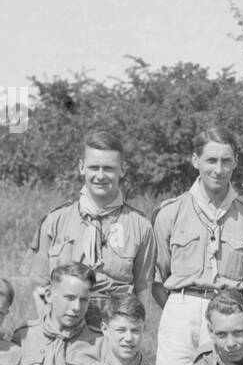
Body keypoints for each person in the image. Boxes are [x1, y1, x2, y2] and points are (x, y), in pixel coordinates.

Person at [151, 127, 243, 365]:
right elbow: (158, 278)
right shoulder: (170, 212)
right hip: (181, 309)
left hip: (227, 315)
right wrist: (183, 306)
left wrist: (230, 314)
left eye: (226, 161)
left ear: (235, 162)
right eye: (211, 160)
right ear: (196, 160)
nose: (219, 169)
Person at [25, 130, 156, 329]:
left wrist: (134, 331)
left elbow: (143, 289)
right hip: (65, 323)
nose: (101, 176)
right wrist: (50, 327)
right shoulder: (55, 220)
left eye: (109, 168)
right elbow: (39, 284)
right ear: (81, 167)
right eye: (94, 167)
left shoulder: (140, 226)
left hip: (114, 326)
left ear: (122, 170)